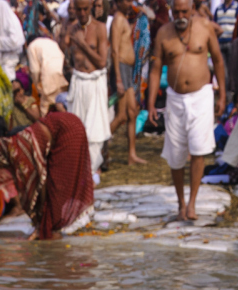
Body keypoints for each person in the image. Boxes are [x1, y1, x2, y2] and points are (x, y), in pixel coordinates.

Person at [147, 0, 227, 222]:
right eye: (176, 12)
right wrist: (151, 103)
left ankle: (192, 203)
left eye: (185, 11)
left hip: (201, 95)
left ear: (192, 10)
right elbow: (155, 69)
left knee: (199, 149)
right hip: (174, 99)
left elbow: (218, 61)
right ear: (171, 11)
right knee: (175, 154)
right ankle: (180, 203)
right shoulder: (164, 33)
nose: (180, 16)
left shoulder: (205, 27)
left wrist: (223, 95)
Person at [0, 107, 95, 236]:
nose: (2, 166)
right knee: (55, 184)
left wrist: (42, 212)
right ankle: (52, 225)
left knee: (58, 186)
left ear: (0, 156)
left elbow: (39, 183)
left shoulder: (18, 152)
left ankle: (53, 227)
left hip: (68, 131)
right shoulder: (15, 145)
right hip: (68, 124)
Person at [63, 0, 109, 175]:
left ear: (90, 8)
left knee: (94, 134)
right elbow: (65, 52)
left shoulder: (99, 28)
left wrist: (82, 44)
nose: (81, 13)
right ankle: (80, 176)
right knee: (76, 133)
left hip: (95, 83)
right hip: (78, 83)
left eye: (84, 9)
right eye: (78, 9)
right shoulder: (72, 29)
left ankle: (90, 174)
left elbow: (102, 62)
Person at [110, 0, 147, 166]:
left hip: (127, 70)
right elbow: (115, 51)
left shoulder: (124, 18)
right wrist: (118, 78)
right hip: (122, 69)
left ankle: (132, 155)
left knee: (132, 113)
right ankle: (96, 148)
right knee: (121, 116)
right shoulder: (118, 19)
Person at [26, 25, 68, 109]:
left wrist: (38, 88)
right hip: (62, 73)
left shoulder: (31, 46)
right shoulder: (50, 42)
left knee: (47, 106)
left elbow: (35, 71)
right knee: (62, 103)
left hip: (49, 75)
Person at [0, 0, 25, 75]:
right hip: (2, 61)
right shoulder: (2, 22)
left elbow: (16, 41)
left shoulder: (12, 21)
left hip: (9, 61)